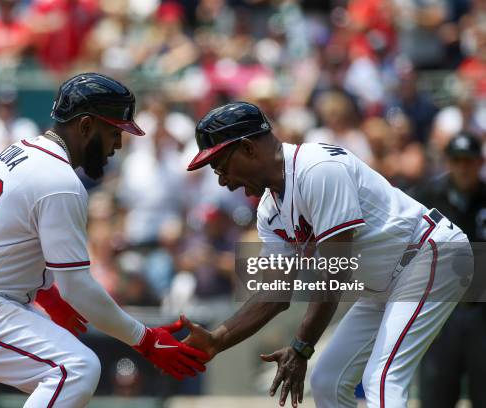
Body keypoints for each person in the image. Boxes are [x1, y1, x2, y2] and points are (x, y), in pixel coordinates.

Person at [0, 73, 208, 408]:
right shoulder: (60, 181)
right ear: (86, 126)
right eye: (113, 131)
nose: (118, 144)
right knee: (76, 369)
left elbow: (7, 239)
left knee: (68, 369)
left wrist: (47, 293)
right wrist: (145, 340)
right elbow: (79, 288)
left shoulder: (19, 152)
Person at [181, 101, 472, 407]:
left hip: (429, 254)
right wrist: (217, 339)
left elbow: (335, 271)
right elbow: (275, 295)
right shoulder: (269, 210)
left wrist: (302, 345)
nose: (223, 181)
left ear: (249, 148)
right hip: (384, 282)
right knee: (327, 380)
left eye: (221, 166)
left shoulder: (317, 168)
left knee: (382, 377)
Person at [413, 132, 486, 408]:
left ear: (480, 162)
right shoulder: (428, 198)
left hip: (481, 311)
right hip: (440, 313)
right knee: (436, 394)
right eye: (457, 160)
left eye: (469, 160)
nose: (463, 167)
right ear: (448, 162)